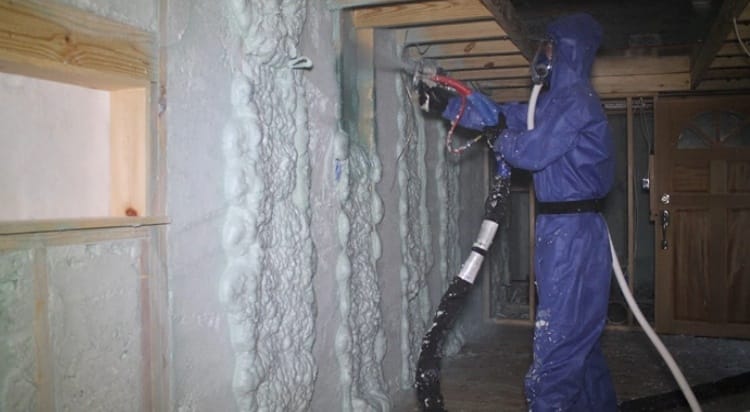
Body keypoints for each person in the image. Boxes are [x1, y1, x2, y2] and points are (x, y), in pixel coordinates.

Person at [420, 13, 617, 411]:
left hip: (570, 234)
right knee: (582, 342)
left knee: (558, 345)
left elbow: (530, 151)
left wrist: (500, 139)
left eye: (548, 47)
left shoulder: (573, 102)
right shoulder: (551, 103)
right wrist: (450, 104)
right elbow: (502, 116)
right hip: (575, 230)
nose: (541, 55)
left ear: (567, 52)